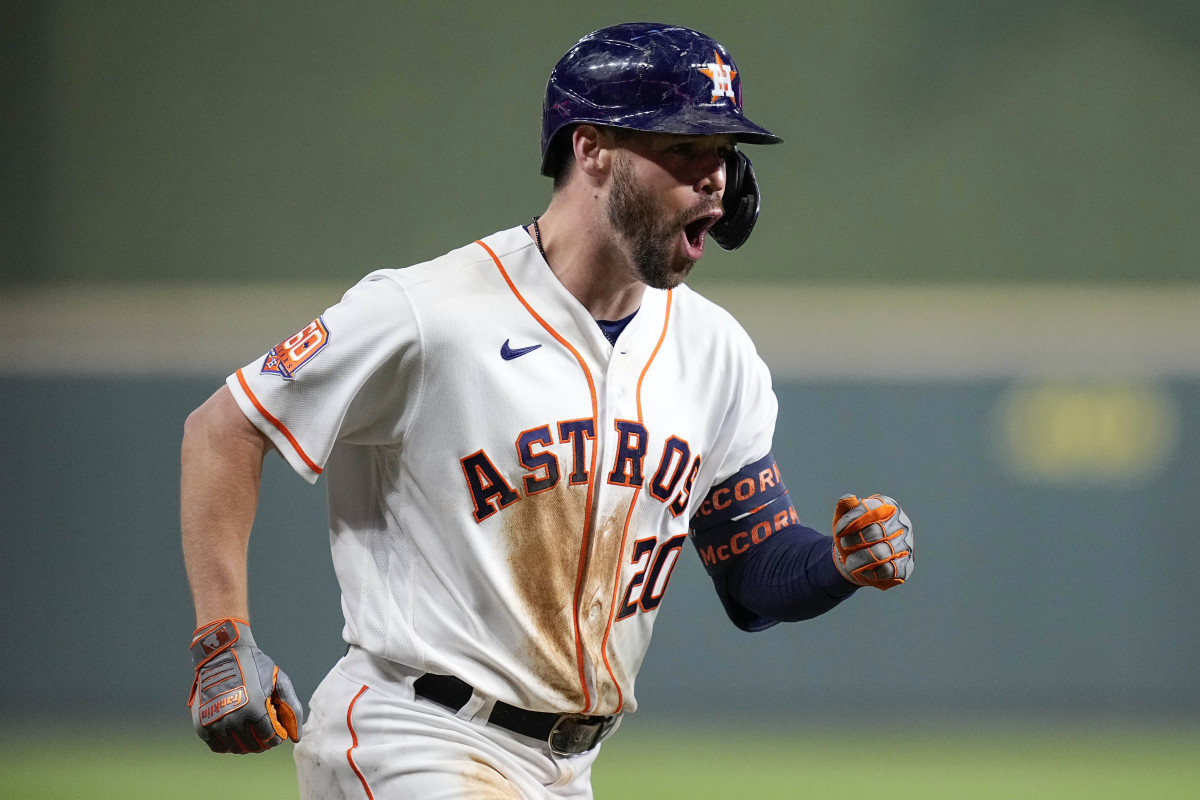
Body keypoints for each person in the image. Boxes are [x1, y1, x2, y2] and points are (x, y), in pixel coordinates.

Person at [181, 22, 914, 799]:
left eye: (723, 153)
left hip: (567, 770)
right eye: (683, 148)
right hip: (414, 738)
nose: (716, 180)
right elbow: (225, 428)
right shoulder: (429, 313)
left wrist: (838, 564)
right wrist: (222, 637)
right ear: (591, 149)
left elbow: (753, 572)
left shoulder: (715, 352)